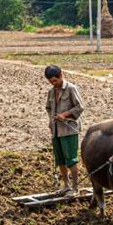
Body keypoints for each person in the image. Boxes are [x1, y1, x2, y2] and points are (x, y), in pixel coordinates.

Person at [44, 65, 85, 195]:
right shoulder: (51, 92)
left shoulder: (71, 89)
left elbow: (80, 107)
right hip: (56, 130)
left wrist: (64, 115)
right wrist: (52, 121)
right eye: (51, 82)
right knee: (60, 159)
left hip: (69, 129)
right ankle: (66, 185)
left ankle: (75, 188)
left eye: (55, 80)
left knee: (71, 159)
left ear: (61, 75)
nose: (53, 83)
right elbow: (49, 108)